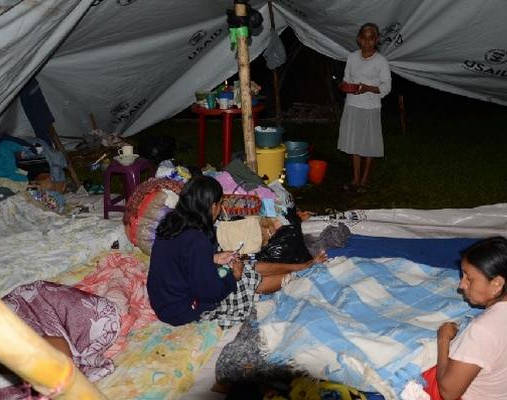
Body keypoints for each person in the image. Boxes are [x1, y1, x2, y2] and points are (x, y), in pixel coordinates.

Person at [147, 175, 327, 328]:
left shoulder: (172, 221)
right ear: (212, 206)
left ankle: (300, 266)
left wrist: (214, 258)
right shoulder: (197, 239)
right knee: (245, 282)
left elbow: (180, 259)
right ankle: (301, 273)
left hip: (165, 300)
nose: (220, 208)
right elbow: (210, 293)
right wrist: (234, 277)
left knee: (242, 265)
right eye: (219, 203)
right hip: (182, 309)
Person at [427, 237, 507, 400]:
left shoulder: (483, 330)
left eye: (469, 278)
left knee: (421, 369)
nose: (461, 285)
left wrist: (443, 339)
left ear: (496, 284)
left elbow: (449, 393)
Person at [337, 22, 391, 193]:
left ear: (376, 40)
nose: (367, 42)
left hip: (370, 106)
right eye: (364, 38)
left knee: (368, 143)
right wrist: (343, 86)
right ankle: (355, 178)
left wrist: (367, 88)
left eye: (371, 38)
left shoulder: (381, 61)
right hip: (352, 105)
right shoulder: (352, 57)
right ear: (359, 39)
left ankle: (364, 180)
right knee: (354, 143)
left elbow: (386, 87)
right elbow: (347, 79)